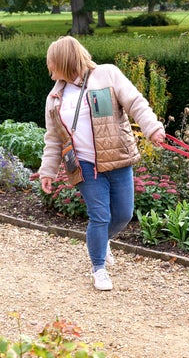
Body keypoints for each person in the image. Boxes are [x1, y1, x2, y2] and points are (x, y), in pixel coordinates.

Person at [38, 36, 166, 291]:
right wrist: (47, 171)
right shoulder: (55, 97)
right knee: (100, 215)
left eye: (52, 65)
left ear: (65, 62)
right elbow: (53, 138)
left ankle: (102, 241)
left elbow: (135, 103)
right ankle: (99, 269)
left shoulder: (107, 75)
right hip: (83, 164)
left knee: (123, 214)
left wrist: (153, 128)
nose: (50, 72)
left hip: (117, 158)